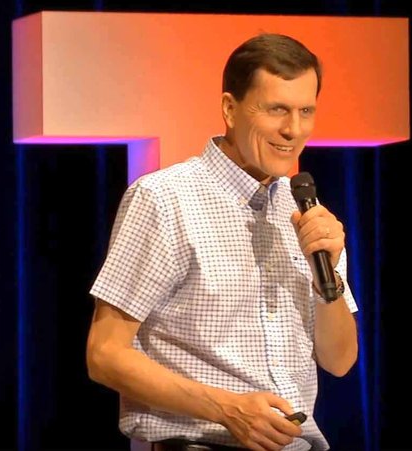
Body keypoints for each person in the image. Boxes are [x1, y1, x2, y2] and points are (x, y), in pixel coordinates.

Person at [86, 33, 358, 451]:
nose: (293, 130)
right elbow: (104, 355)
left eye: (306, 111)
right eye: (277, 110)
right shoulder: (164, 199)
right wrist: (227, 409)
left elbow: (339, 361)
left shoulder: (308, 211)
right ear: (230, 109)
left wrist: (328, 281)